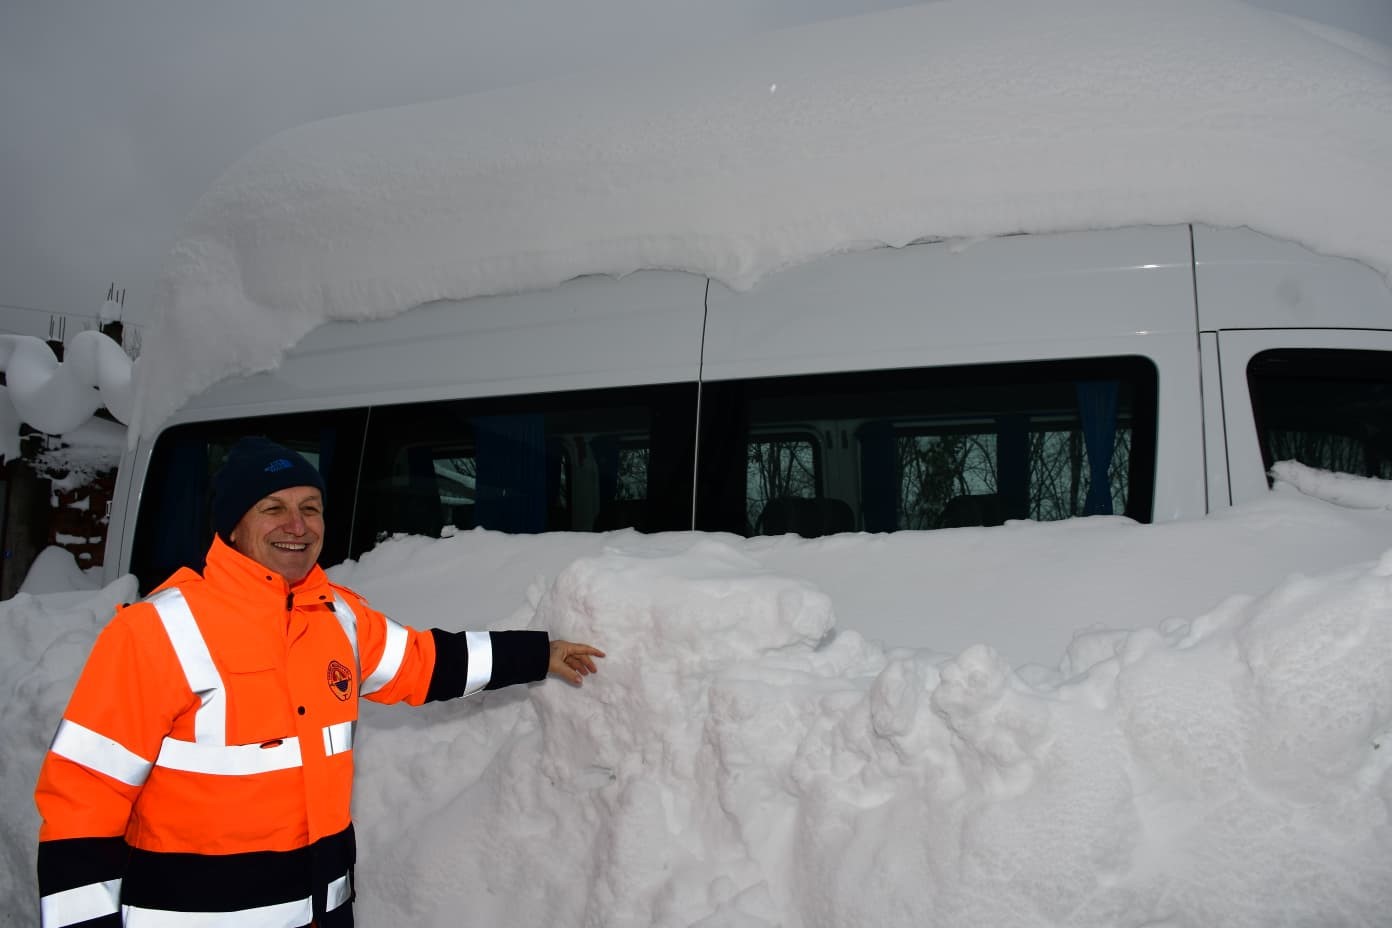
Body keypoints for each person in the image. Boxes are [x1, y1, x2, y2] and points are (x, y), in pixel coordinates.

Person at [34, 437, 604, 928]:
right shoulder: (157, 630)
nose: (297, 526)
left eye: (311, 507)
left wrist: (536, 653)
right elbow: (83, 800)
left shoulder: (337, 617)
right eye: (272, 508)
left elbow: (426, 662)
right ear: (233, 525)